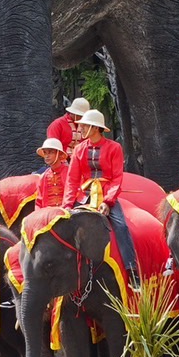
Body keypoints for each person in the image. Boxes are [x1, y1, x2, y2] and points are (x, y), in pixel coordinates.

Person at [64, 109, 143, 288]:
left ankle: (132, 271)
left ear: (95, 127)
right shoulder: (78, 149)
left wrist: (108, 201)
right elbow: (72, 180)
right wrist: (67, 206)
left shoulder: (114, 148)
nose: (81, 128)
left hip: (107, 193)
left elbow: (117, 178)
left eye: (84, 125)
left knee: (121, 225)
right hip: (85, 196)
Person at [41, 97, 93, 172]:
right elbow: (52, 147)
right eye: (81, 115)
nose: (82, 118)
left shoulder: (85, 126)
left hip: (80, 161)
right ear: (74, 113)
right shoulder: (57, 124)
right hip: (60, 162)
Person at [36, 137, 69, 207]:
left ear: (59, 154)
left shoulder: (69, 173)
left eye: (51, 152)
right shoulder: (43, 177)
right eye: (45, 153)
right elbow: (38, 202)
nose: (47, 156)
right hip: (47, 214)